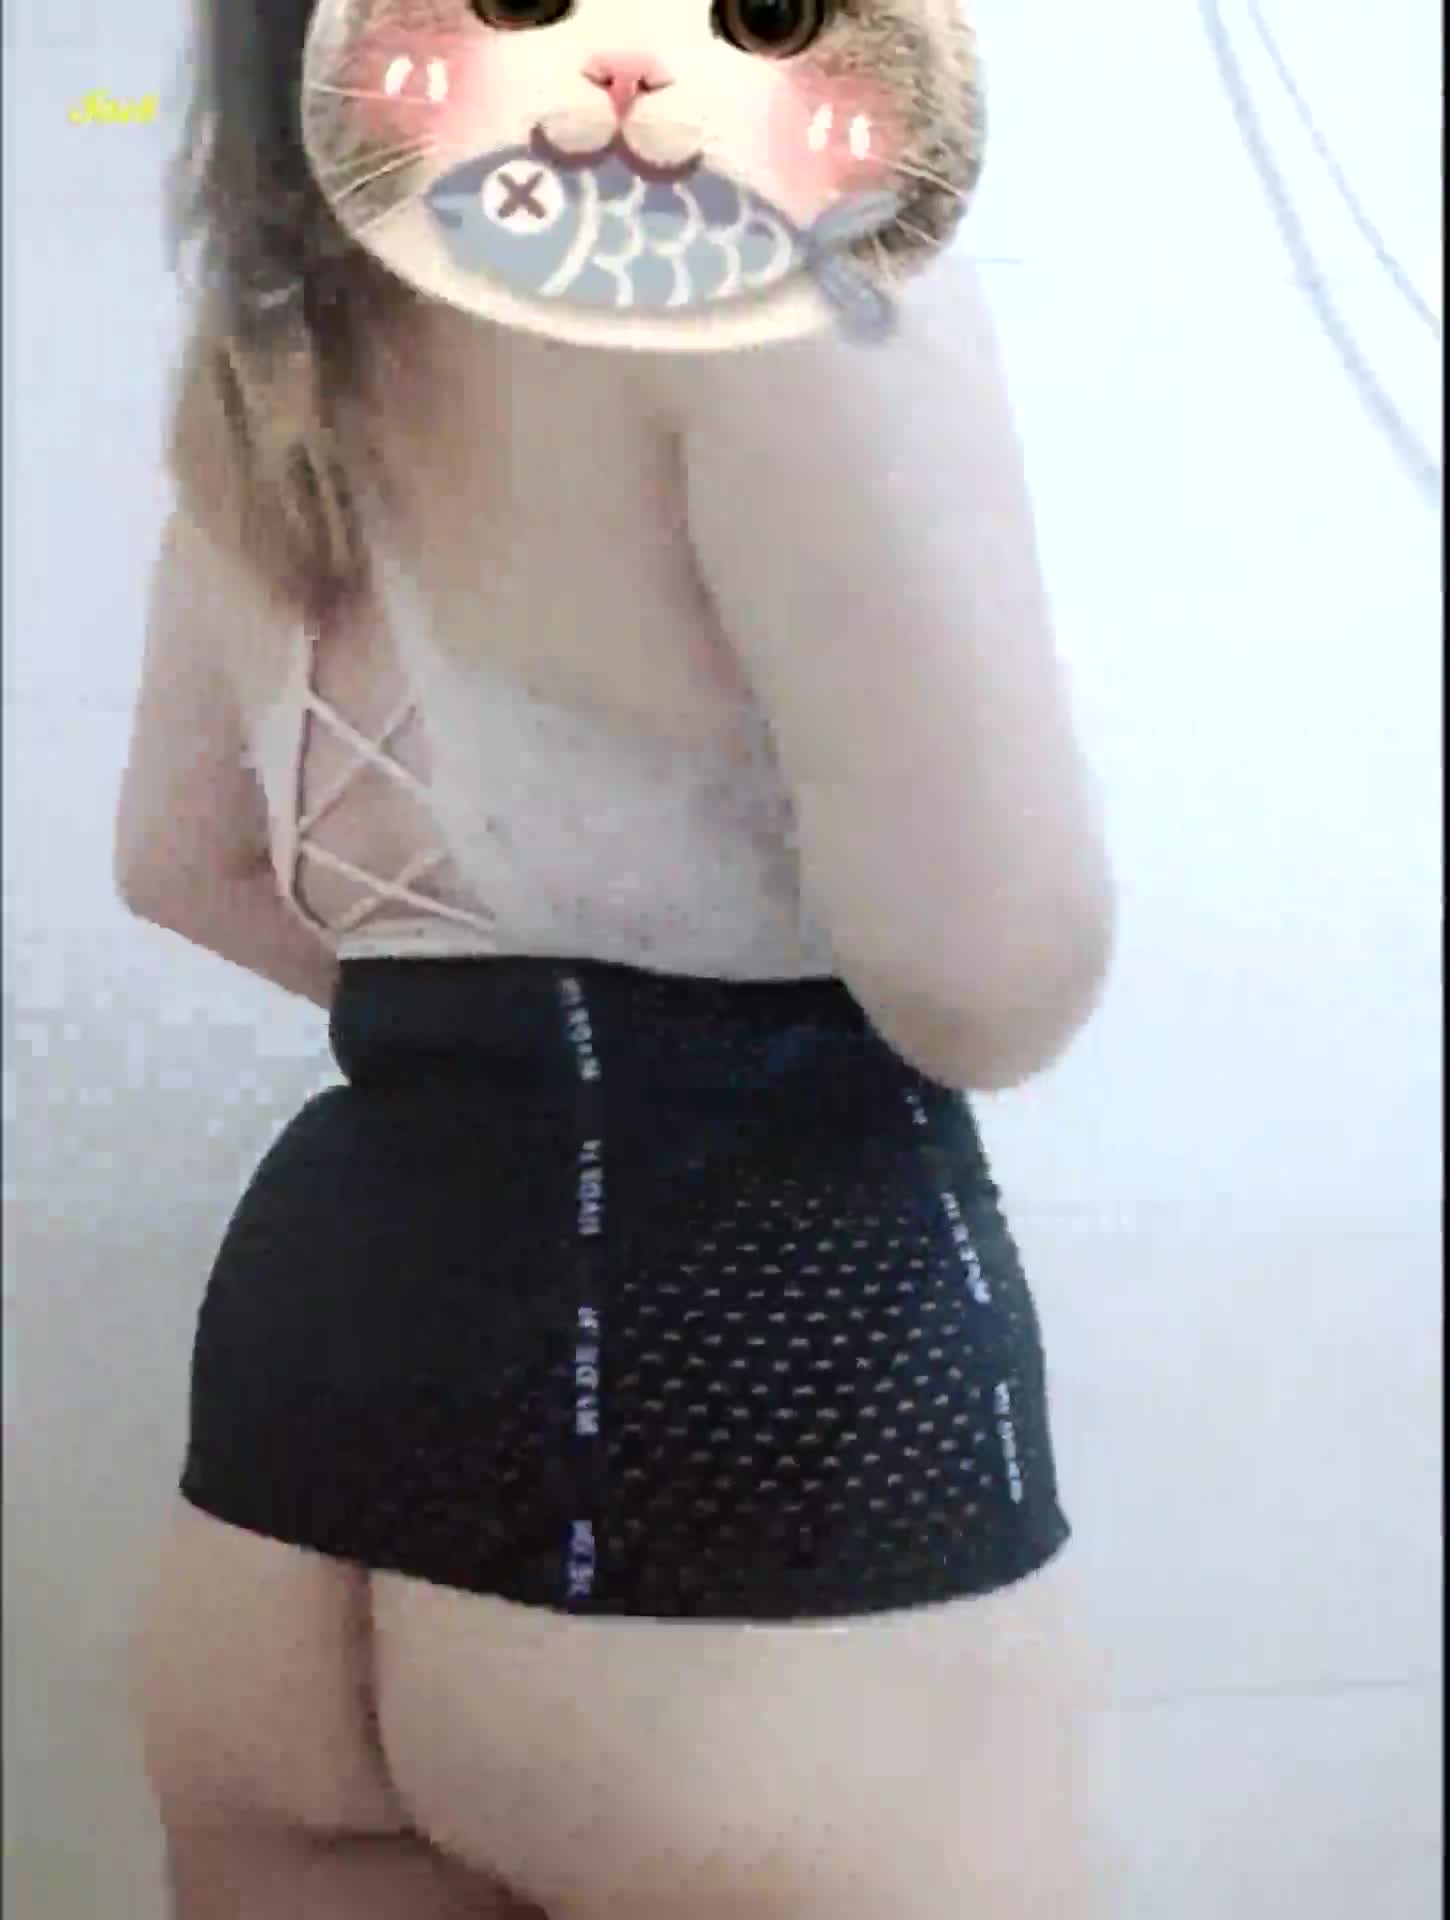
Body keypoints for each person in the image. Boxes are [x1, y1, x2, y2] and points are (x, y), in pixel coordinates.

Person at [115, 0, 1116, 1911]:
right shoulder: (775, 265)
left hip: (296, 1471)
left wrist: (507, 1043)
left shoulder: (276, 338)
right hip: (735, 1450)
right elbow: (990, 973)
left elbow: (180, 858)